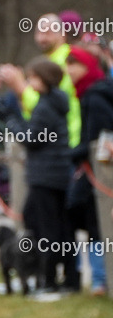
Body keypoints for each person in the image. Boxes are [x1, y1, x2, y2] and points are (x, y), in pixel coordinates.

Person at [0, 57, 77, 296]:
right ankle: (64, 278)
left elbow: (31, 138)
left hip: (46, 175)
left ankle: (47, 280)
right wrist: (15, 118)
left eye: (33, 77)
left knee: (44, 228)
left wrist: (9, 119)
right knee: (56, 226)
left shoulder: (46, 105)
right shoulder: (54, 102)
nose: (29, 82)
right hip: (56, 173)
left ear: (44, 79)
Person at [65, 46, 113, 296]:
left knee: (90, 216)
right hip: (92, 165)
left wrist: (73, 153)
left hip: (100, 168)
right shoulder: (87, 93)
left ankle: (101, 278)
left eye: (74, 64)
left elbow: (99, 138)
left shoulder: (94, 96)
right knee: (89, 217)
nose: (69, 70)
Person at [0, 12, 81, 148]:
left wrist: (20, 86)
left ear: (62, 34)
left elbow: (48, 106)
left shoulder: (66, 61)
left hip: (67, 141)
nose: (42, 38)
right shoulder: (48, 61)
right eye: (39, 33)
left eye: (48, 33)